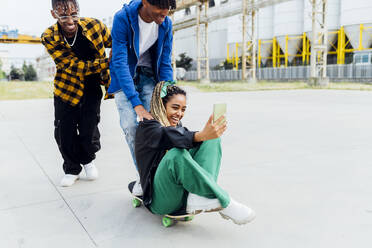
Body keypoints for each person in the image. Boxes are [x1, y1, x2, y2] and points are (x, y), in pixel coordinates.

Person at [134, 82, 256, 225]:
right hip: (160, 200)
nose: (179, 114)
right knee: (176, 155)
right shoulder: (147, 127)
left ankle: (199, 197)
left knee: (211, 140)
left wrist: (205, 136)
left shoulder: (176, 126)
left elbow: (182, 136)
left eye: (183, 109)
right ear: (161, 105)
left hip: (181, 193)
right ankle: (225, 202)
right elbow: (166, 135)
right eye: (175, 107)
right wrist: (200, 135)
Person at [41, 0, 112, 187]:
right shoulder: (49, 36)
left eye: (74, 14)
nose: (70, 20)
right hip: (66, 88)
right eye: (64, 16)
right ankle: (72, 169)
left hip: (92, 86)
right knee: (64, 132)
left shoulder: (95, 25)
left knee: (89, 130)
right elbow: (72, 66)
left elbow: (117, 42)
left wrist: (117, 58)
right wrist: (105, 63)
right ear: (53, 14)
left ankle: (88, 160)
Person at [108, 0, 175, 196]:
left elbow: (165, 62)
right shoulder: (123, 18)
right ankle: (145, 177)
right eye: (160, 8)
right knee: (131, 127)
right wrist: (137, 105)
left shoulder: (166, 23)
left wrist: (167, 94)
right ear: (145, 1)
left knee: (156, 126)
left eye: (168, 8)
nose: (164, 14)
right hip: (123, 77)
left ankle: (160, 178)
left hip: (148, 75)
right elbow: (119, 62)